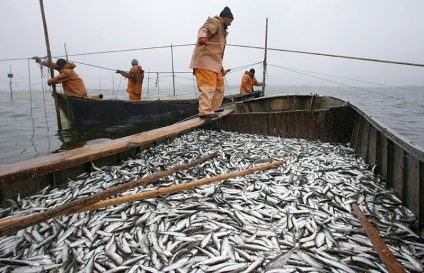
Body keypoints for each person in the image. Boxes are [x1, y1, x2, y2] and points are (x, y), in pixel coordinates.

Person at [190, 6, 234, 119]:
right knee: (208, 87)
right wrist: (202, 38)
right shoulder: (215, 21)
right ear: (225, 17)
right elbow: (204, 29)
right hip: (205, 62)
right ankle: (204, 111)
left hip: (215, 64)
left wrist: (220, 66)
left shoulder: (223, 31)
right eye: (230, 21)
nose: (230, 24)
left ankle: (213, 108)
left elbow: (217, 52)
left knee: (219, 87)